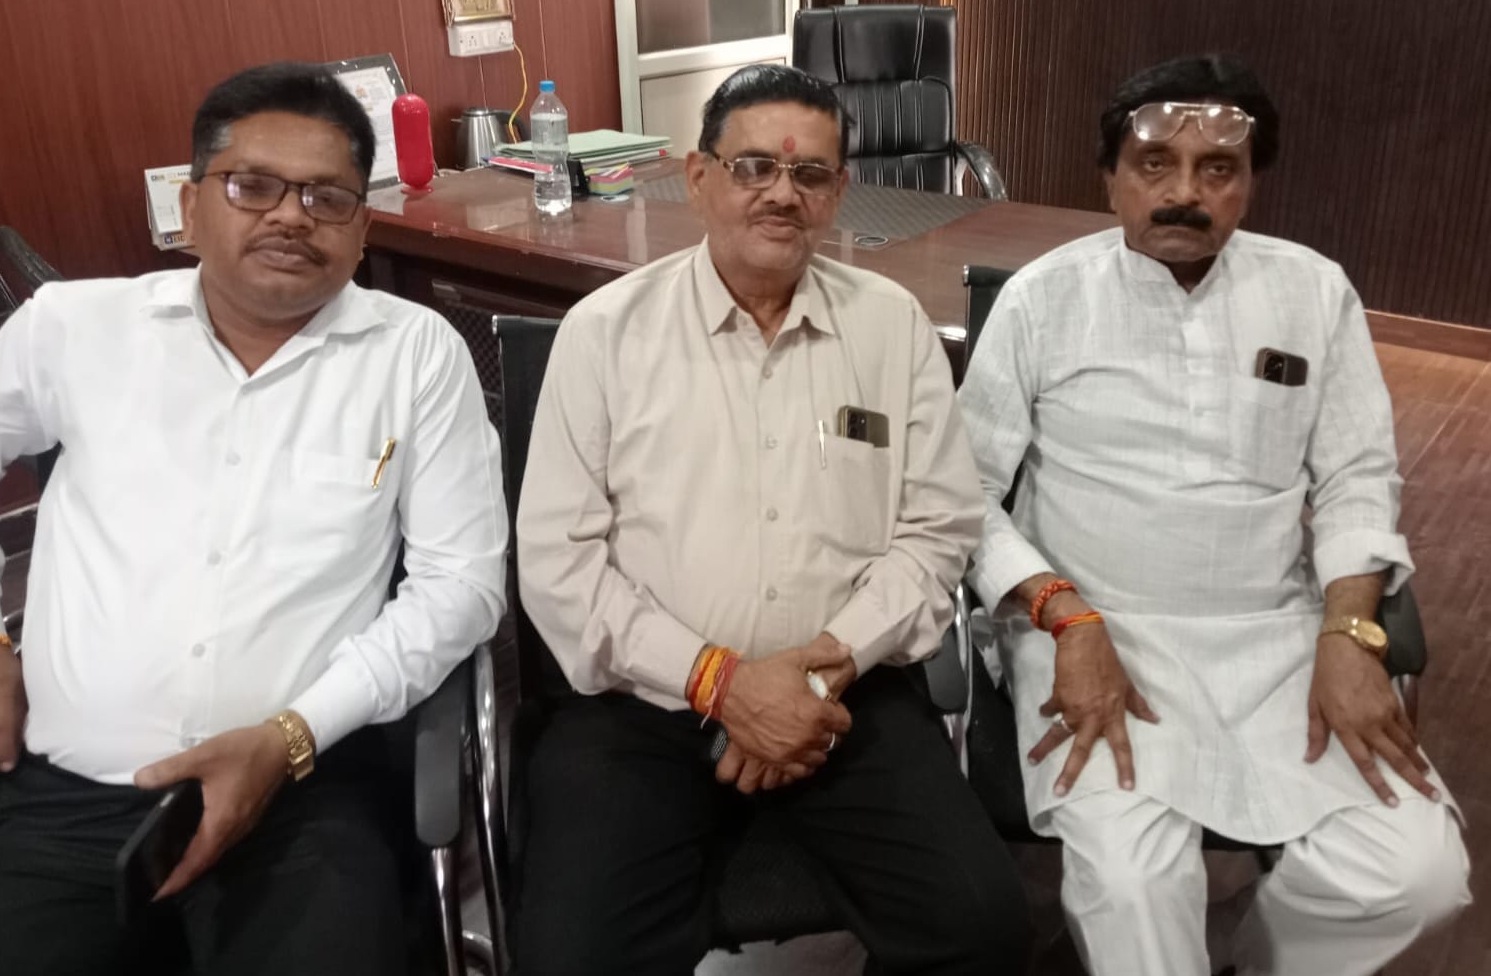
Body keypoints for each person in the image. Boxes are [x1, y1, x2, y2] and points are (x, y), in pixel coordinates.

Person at [0, 62, 508, 975]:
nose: (291, 216)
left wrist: (290, 737)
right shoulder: (76, 329)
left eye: (327, 197)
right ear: (190, 205)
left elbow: (462, 587)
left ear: (362, 230)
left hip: (306, 792)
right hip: (68, 798)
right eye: (253, 186)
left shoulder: (414, 356)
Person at [958, 54, 1471, 976]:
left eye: (1218, 169)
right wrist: (1062, 616)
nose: (1184, 194)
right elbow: (960, 495)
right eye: (1155, 164)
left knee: (1417, 874)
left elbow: (1356, 477)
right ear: (1110, 177)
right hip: (1093, 634)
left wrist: (1350, 632)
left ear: (1251, 183)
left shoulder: (1313, 291)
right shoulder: (1043, 299)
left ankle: (1244, 952)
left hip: (1276, 640)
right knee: (1134, 884)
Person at [513, 64, 1029, 975]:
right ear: (698, 177)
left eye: (810, 173)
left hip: (847, 698)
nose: (782, 194)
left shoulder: (892, 328)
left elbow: (939, 528)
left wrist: (819, 674)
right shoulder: (606, 333)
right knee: (570, 958)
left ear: (838, 192)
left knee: (984, 926)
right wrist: (724, 685)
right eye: (753, 167)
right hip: (643, 709)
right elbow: (560, 563)